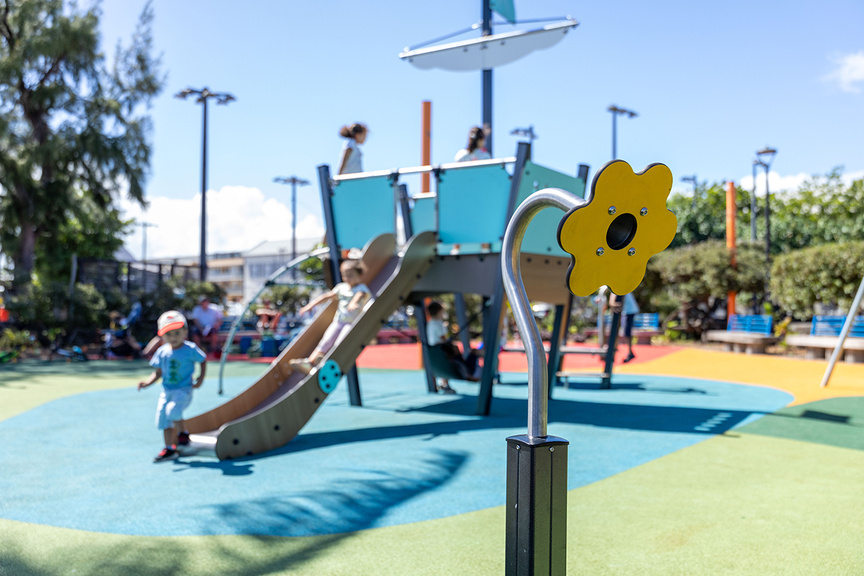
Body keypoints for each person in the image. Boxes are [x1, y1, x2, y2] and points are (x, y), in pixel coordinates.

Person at [137, 311, 207, 463]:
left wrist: (200, 378)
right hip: (167, 391)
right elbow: (158, 372)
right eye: (168, 334)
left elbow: (203, 359)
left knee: (172, 411)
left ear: (185, 332)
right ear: (162, 336)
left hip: (184, 389)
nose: (173, 338)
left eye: (177, 333)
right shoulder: (162, 352)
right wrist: (147, 383)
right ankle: (169, 449)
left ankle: (183, 434)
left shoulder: (190, 349)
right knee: (163, 419)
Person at [289, 259, 372, 374]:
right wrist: (310, 305)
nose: (347, 278)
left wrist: (354, 302)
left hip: (351, 324)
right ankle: (310, 362)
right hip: (338, 321)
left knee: (340, 342)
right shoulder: (341, 287)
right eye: (345, 275)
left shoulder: (361, 288)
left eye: (351, 275)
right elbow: (327, 296)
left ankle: (326, 362)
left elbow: (360, 295)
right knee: (326, 341)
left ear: (360, 275)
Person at [426, 301, 482, 394]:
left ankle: (444, 383)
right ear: (439, 312)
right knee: (456, 355)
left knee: (447, 361)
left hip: (435, 350)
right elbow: (442, 338)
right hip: (442, 349)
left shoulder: (429, 323)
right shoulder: (439, 324)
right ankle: (467, 374)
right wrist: (451, 345)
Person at [610, 291, 639, 362]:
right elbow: (612, 301)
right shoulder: (622, 287)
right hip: (627, 311)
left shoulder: (620, 288)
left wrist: (613, 304)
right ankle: (614, 352)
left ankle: (629, 352)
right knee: (619, 331)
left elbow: (612, 300)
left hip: (629, 311)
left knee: (625, 332)